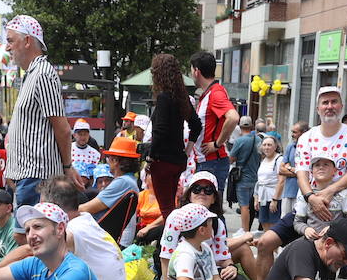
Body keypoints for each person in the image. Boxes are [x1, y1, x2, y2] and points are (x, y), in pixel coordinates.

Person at [254, 87, 347, 280]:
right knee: (265, 243)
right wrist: (311, 196)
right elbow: (302, 172)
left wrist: (329, 192)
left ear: (341, 106)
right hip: (305, 207)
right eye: (325, 103)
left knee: (325, 267)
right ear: (317, 108)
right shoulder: (307, 137)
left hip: (336, 213)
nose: (329, 107)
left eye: (334, 102)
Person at [2, 15, 79, 206]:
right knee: (25, 234)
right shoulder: (33, 74)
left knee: (28, 234)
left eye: (11, 40)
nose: (7, 47)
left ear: (27, 40)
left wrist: (67, 166)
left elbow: (62, 128)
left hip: (37, 176)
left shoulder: (43, 73)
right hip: (30, 176)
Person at [162, 202, 247, 280]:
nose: (213, 225)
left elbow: (215, 279)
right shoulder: (185, 253)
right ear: (202, 230)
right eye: (210, 222)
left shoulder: (206, 248)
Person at [43, 178, 126, 280]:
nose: (38, 213)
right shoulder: (84, 219)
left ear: (54, 207)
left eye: (42, 207)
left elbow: (31, 253)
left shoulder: (73, 231)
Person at [147, 52, 202, 218]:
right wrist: (186, 151)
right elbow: (196, 125)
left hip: (162, 161)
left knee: (166, 209)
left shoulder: (164, 98)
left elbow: (160, 131)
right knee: (171, 206)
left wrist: (151, 157)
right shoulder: (181, 97)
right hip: (177, 160)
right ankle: (174, 241)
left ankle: (170, 242)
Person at [189, 51, 240, 191]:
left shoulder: (215, 93)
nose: (191, 73)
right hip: (208, 161)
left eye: (191, 69)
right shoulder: (210, 93)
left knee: (209, 209)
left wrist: (217, 144)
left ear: (197, 72)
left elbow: (234, 117)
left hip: (211, 162)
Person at [80, 138, 142, 246]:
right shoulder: (129, 180)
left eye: (109, 158)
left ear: (115, 160)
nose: (108, 161)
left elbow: (87, 208)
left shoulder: (122, 182)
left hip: (113, 240)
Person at [294, 155, 347, 237]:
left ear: (334, 171)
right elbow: (298, 222)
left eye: (326, 164)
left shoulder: (345, 194)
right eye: (317, 165)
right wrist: (305, 229)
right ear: (311, 171)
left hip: (337, 242)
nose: (321, 167)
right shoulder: (306, 195)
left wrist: (334, 228)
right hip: (312, 243)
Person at [229, 117, 261, 232]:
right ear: (251, 126)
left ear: (240, 126)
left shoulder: (239, 141)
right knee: (254, 205)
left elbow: (231, 159)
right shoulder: (258, 140)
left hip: (243, 178)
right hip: (257, 178)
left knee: (244, 206)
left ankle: (245, 231)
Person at [254, 135, 284, 229]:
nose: (266, 147)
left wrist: (274, 200)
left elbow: (281, 181)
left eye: (269, 145)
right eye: (264, 145)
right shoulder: (263, 160)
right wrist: (256, 198)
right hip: (262, 197)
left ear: (275, 147)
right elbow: (259, 181)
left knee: (274, 225)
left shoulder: (279, 160)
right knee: (264, 222)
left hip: (274, 197)